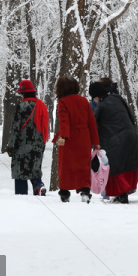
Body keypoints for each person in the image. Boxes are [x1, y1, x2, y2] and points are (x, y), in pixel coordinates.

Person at [89, 78, 138, 204]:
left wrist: (95, 142)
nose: (94, 101)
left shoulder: (101, 105)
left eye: (94, 98)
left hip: (115, 139)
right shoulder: (119, 99)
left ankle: (122, 193)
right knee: (128, 166)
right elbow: (131, 117)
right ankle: (124, 192)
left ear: (97, 96)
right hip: (131, 136)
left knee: (114, 168)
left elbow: (93, 125)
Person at [53, 75, 100, 203]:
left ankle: (64, 192)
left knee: (66, 165)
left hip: (69, 138)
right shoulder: (84, 101)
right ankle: (85, 191)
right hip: (84, 137)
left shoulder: (63, 102)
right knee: (83, 165)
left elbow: (64, 121)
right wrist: (96, 142)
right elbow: (92, 122)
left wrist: (63, 136)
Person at [6, 79, 50, 196]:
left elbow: (16, 128)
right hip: (38, 144)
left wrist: (11, 144)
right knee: (35, 169)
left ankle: (21, 196)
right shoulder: (41, 105)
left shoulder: (22, 106)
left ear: (23, 93)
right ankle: (39, 187)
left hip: (22, 144)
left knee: (20, 172)